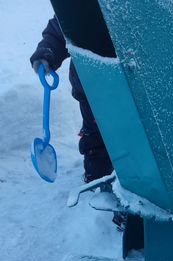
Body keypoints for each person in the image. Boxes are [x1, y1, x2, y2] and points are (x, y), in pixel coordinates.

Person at [30, 17, 113, 183]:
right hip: (90, 84)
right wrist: (48, 52)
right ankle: (97, 179)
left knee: (138, 137)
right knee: (95, 137)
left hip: (135, 87)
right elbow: (62, 25)